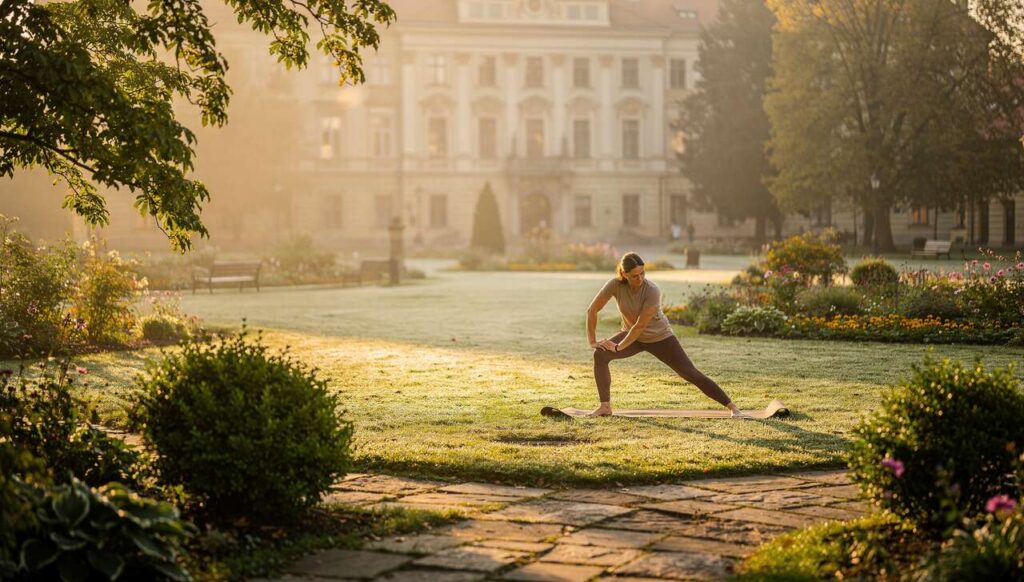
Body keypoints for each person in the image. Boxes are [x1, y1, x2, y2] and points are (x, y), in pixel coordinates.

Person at [585, 252, 747, 418]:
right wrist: (592, 341)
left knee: (689, 373)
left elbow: (640, 325)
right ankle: (605, 407)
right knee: (600, 354)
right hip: (631, 336)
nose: (640, 279)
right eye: (635, 276)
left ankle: (732, 407)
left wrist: (618, 347)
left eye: (642, 273)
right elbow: (592, 310)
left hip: (659, 337)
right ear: (624, 274)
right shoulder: (615, 285)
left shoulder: (652, 290)